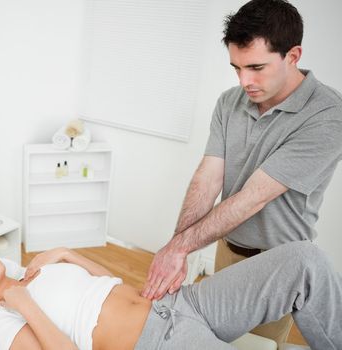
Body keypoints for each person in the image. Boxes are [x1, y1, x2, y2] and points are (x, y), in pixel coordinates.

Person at [142, 0, 342, 345]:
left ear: (293, 55)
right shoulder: (229, 101)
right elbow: (207, 179)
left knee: (256, 344)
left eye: (256, 67)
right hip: (228, 247)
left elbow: (252, 199)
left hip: (276, 264)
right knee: (215, 339)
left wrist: (177, 249)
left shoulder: (327, 114)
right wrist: (179, 247)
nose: (244, 81)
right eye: (236, 68)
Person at [0, 242, 341, 350]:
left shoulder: (37, 269)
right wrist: (22, 303)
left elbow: (108, 283)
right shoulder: (2, 320)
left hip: (181, 302)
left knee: (302, 260)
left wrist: (65, 254)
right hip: (157, 342)